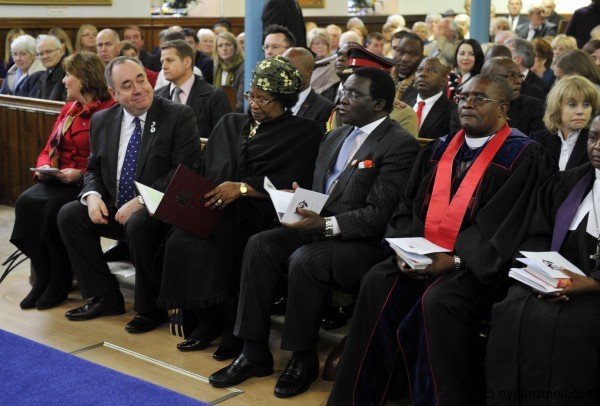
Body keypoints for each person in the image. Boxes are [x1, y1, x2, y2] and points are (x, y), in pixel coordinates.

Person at [328, 74, 555, 406]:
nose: (468, 104)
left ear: (503, 108)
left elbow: (509, 227)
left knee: (439, 300)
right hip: (425, 257)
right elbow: (406, 206)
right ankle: (361, 396)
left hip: (480, 268)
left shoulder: (523, 156)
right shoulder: (439, 148)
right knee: (378, 280)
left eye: (480, 98)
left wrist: (458, 260)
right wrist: (404, 250)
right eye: (463, 97)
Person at [208, 66, 420, 398]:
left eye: (353, 94)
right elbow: (320, 192)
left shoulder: (398, 144)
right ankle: (253, 350)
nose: (342, 98)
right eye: (343, 90)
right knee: (260, 244)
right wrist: (298, 200)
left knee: (306, 259)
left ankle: (302, 357)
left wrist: (324, 224)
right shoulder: (334, 134)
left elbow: (380, 214)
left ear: (379, 104)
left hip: (362, 244)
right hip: (320, 226)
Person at [158, 55, 323, 361]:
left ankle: (233, 330)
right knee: (180, 238)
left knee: (222, 243)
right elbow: (207, 170)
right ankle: (207, 322)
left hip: (263, 213)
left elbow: (293, 184)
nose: (255, 104)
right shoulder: (230, 122)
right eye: (251, 96)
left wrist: (244, 188)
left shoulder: (304, 131)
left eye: (264, 99)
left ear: (284, 100)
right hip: (217, 206)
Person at [57, 57, 201, 333]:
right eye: (126, 85)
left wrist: (141, 201)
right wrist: (93, 196)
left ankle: (150, 307)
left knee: (139, 223)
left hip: (159, 207)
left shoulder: (177, 115)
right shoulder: (103, 119)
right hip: (114, 203)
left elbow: (184, 172)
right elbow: (93, 169)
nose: (138, 89)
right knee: (69, 215)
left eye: (140, 80)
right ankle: (105, 296)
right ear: (113, 93)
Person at [487, 113, 600, 406]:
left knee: (567, 325)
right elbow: (537, 233)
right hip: (554, 280)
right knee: (510, 309)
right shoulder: (566, 182)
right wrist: (540, 272)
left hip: (593, 291)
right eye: (593, 137)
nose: (597, 146)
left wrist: (590, 283)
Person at [10, 52, 116, 310]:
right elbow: (49, 145)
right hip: (58, 177)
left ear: (84, 78)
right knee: (26, 202)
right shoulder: (70, 108)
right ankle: (43, 277)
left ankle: (58, 281)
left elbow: (106, 158)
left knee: (52, 211)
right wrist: (45, 165)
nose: (64, 80)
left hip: (85, 183)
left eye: (69, 75)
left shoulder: (109, 110)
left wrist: (79, 173)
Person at [156, 39, 231, 138]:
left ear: (187, 62)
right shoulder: (156, 97)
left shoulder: (215, 96)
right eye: (162, 61)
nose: (163, 66)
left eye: (169, 60)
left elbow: (223, 138)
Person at [532, 75, 599, 171]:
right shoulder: (538, 139)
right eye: (572, 104)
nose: (580, 111)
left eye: (586, 105)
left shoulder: (596, 143)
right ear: (557, 107)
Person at [283, 47, 335, 131]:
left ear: (308, 73)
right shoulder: (272, 101)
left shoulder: (326, 109)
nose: (283, 74)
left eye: (290, 70)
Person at [413, 56, 457, 139]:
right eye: (419, 70)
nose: (422, 74)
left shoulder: (453, 111)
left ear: (443, 81)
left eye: (431, 71)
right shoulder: (403, 102)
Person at [20, 35, 67, 101]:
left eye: (49, 51)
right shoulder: (44, 75)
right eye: (41, 54)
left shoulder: (69, 72)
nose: (45, 56)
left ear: (61, 51)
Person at [212, 32, 244, 112]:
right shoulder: (216, 68)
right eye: (220, 46)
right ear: (216, 50)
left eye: (228, 45)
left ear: (235, 47)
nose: (224, 49)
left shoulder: (243, 68)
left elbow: (241, 103)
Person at [391, 31, 424, 106]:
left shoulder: (423, 86)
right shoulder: (384, 75)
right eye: (401, 52)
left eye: (413, 54)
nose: (405, 59)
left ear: (421, 57)